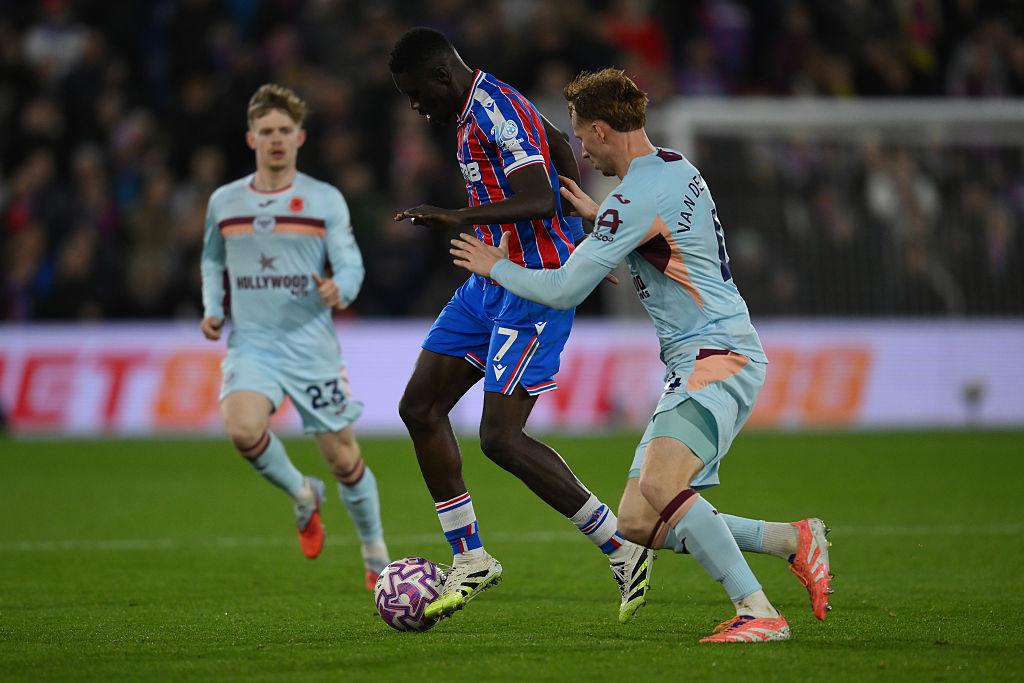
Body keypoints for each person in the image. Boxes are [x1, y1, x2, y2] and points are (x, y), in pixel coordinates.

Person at [450, 68, 833, 642]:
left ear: (602, 129)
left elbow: (563, 290)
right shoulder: (676, 167)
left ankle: (757, 611)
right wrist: (598, 221)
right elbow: (661, 239)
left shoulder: (629, 200)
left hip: (714, 356)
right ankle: (789, 540)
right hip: (712, 353)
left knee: (661, 486)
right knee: (636, 520)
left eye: (582, 135)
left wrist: (495, 266)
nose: (580, 149)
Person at [388, 27, 653, 623]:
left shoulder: (494, 111)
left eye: (416, 93)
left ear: (441, 76)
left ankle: (621, 545)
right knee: (420, 407)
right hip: (490, 280)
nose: (415, 106)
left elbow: (538, 197)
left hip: (534, 289)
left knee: (501, 439)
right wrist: (581, 235)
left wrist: (458, 216)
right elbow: (557, 144)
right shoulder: (476, 107)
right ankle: (471, 558)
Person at [199, 84, 389, 589]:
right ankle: (303, 493)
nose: (276, 139)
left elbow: (350, 263)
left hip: (310, 345)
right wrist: (214, 309)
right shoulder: (225, 201)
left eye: (285, 130)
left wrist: (340, 288)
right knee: (242, 430)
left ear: (301, 137)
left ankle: (374, 552)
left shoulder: (323, 199)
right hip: (253, 343)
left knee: (344, 459)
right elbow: (212, 260)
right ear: (251, 138)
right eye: (267, 131)